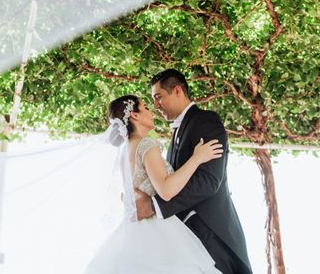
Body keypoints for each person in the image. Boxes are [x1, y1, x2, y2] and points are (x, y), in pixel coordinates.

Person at [85, 94, 224, 273]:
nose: (152, 112)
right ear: (135, 116)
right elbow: (166, 190)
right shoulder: (146, 145)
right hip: (156, 229)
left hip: (134, 231)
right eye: (146, 108)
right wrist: (197, 158)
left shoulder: (125, 151)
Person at [136, 68, 252, 274]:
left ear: (178, 90)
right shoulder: (176, 132)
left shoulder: (205, 120)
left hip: (210, 231)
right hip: (186, 237)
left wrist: (156, 207)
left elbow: (209, 180)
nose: (156, 105)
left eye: (158, 97)